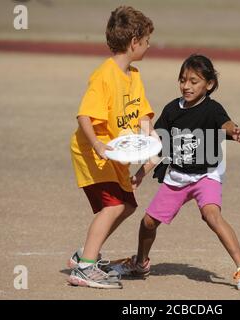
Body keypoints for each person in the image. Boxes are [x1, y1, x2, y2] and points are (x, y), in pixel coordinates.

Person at [113, 54, 240, 291]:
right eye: (183, 80)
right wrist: (140, 174)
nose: (186, 86)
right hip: (177, 177)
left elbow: (226, 124)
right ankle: (140, 263)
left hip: (205, 175)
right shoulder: (172, 110)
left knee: (211, 215)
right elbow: (159, 147)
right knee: (148, 223)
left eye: (194, 81)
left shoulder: (212, 109)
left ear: (209, 85)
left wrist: (235, 130)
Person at [67, 5, 156, 289]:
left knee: (127, 205)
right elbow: (84, 115)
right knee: (114, 205)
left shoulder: (135, 75)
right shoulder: (104, 75)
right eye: (147, 41)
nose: (149, 45)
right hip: (94, 153)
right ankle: (85, 268)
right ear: (134, 42)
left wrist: (150, 142)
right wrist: (98, 145)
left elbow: (142, 114)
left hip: (116, 156)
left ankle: (84, 255)